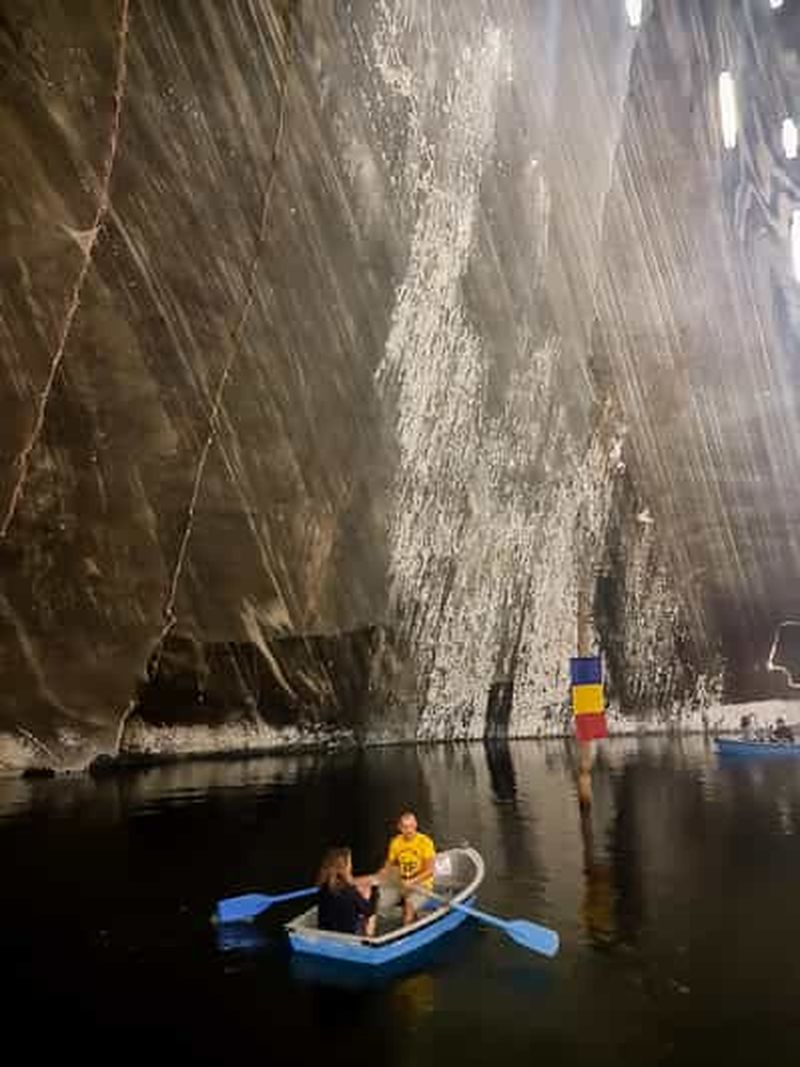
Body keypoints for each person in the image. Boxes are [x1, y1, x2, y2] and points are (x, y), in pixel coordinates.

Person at [375, 811, 436, 926]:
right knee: (380, 904)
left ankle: (407, 930)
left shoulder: (425, 842)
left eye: (411, 826)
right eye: (405, 827)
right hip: (401, 882)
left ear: (416, 825)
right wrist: (384, 872)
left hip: (421, 884)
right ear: (399, 828)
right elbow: (390, 863)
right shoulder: (396, 842)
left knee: (409, 905)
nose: (408, 830)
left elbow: (430, 871)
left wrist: (412, 881)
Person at [316, 847, 379, 937]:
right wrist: (374, 890)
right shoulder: (349, 891)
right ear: (344, 867)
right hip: (348, 937)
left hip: (326, 935)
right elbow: (369, 910)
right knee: (368, 913)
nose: (351, 866)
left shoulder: (323, 888)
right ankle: (370, 938)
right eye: (349, 862)